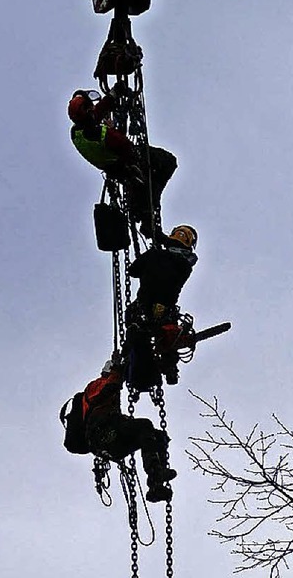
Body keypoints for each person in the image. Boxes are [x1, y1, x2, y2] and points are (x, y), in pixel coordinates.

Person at [67, 89, 177, 226]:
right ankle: (149, 207)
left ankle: (142, 205)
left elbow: (96, 114)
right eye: (90, 107)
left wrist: (113, 95)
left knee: (143, 184)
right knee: (168, 162)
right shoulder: (98, 132)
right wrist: (112, 128)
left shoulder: (76, 132)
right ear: (87, 111)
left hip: (113, 169)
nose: (94, 108)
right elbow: (124, 145)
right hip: (127, 162)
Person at [82, 357, 177, 502]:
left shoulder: (112, 399)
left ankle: (156, 482)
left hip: (116, 441)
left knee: (156, 436)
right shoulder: (95, 385)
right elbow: (108, 389)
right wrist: (117, 372)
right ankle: (154, 472)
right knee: (144, 425)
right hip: (103, 434)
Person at [124, 225, 198, 388]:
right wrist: (158, 238)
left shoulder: (154, 255)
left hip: (142, 309)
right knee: (167, 334)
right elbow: (179, 255)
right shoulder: (185, 266)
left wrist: (155, 246)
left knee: (134, 325)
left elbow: (132, 271)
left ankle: (132, 356)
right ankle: (169, 364)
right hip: (166, 310)